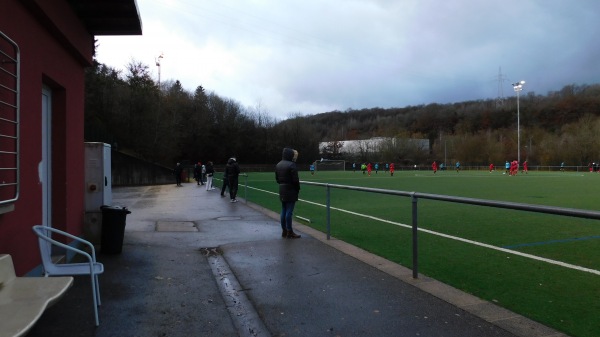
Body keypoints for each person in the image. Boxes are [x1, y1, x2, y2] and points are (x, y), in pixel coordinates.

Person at [275, 147, 301, 239]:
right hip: (291, 190)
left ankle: (284, 230)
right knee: (289, 212)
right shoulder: (292, 165)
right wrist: (298, 189)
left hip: (282, 189)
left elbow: (277, 179)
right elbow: (295, 180)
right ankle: (290, 231)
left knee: (283, 210)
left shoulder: (278, 164)